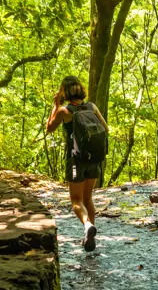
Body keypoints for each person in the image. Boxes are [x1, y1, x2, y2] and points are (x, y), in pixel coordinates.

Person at [46, 76, 108, 252]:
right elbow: (106, 129)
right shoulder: (92, 107)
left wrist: (56, 105)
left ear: (65, 92)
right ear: (81, 89)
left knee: (76, 200)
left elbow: (49, 128)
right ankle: (90, 236)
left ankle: (87, 226)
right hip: (94, 158)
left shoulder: (64, 112)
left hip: (76, 161)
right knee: (88, 198)